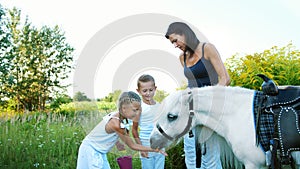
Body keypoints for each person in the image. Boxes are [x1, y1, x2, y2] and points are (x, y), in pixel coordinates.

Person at [165, 22, 230, 169]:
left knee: (209, 154)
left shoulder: (207, 48)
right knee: (190, 152)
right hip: (190, 109)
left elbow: (225, 79)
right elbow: (192, 83)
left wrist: (209, 99)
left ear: (184, 34)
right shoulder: (182, 58)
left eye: (175, 40)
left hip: (209, 109)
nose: (174, 45)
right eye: (172, 43)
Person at [76, 91, 167, 169]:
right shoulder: (117, 124)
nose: (137, 113)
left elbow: (107, 132)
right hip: (91, 150)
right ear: (124, 108)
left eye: (139, 110)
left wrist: (117, 143)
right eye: (135, 110)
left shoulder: (120, 118)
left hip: (99, 151)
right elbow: (132, 145)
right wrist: (154, 150)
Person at [132, 74, 165, 169]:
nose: (148, 93)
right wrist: (141, 148)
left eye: (151, 90)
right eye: (144, 91)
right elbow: (134, 130)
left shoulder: (159, 106)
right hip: (145, 145)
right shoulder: (139, 108)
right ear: (138, 91)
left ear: (155, 88)